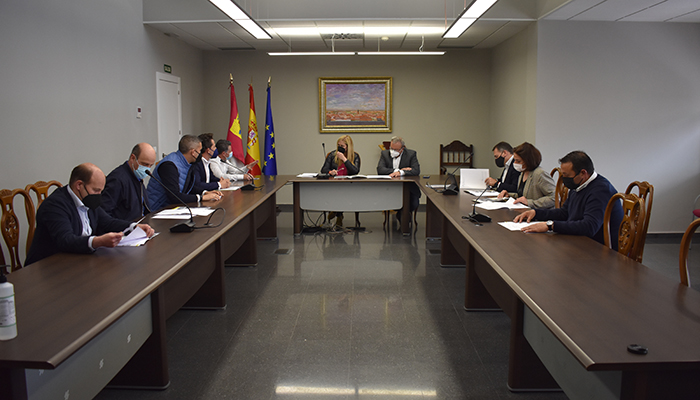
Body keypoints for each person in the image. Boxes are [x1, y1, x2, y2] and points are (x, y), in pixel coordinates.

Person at [26, 163, 155, 266]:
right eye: (96, 190)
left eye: (101, 191)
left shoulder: (88, 199)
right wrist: (97, 241)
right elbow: (65, 240)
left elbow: (107, 222)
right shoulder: (55, 205)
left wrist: (134, 227)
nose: (99, 195)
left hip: (79, 260)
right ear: (79, 185)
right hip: (49, 268)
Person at [514, 150, 623, 249]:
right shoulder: (578, 185)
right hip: (578, 241)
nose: (564, 179)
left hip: (599, 249)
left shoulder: (601, 190)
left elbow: (589, 226)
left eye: (566, 175)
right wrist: (536, 213)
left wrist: (550, 225)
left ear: (583, 173)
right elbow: (564, 213)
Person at [147, 135, 222, 211]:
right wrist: (201, 197)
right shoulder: (169, 165)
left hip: (171, 208)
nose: (200, 154)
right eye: (199, 151)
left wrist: (204, 193)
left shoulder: (186, 164)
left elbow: (188, 187)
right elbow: (174, 196)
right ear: (193, 152)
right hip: (157, 210)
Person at [101, 143, 156, 221]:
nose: (147, 169)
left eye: (150, 165)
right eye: (144, 164)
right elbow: (104, 213)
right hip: (125, 227)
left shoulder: (137, 176)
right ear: (132, 158)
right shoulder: (117, 179)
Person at [497, 142, 555, 209]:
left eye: (518, 161)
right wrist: (508, 195)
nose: (515, 163)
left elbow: (554, 198)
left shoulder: (540, 174)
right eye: (514, 160)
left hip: (538, 212)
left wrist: (530, 202)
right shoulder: (523, 173)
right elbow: (522, 195)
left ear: (528, 161)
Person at [320, 135, 361, 227]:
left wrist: (344, 159)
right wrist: (330, 172)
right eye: (338, 145)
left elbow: (355, 171)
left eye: (342, 146)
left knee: (343, 192)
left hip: (349, 185)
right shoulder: (332, 155)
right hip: (334, 184)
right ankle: (339, 215)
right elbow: (323, 170)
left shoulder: (355, 156)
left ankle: (336, 212)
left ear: (348, 147)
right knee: (338, 191)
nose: (340, 148)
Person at [377, 136, 421, 222]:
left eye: (396, 149)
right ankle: (402, 216)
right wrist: (398, 171)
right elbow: (380, 170)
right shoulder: (385, 154)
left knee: (413, 203)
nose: (393, 151)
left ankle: (403, 216)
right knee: (396, 203)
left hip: (409, 189)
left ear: (402, 149)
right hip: (391, 189)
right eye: (391, 148)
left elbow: (416, 171)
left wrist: (400, 173)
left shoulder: (411, 154)